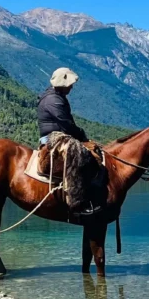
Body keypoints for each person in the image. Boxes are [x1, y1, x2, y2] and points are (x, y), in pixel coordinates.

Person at [37, 68, 104, 217]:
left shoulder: (56, 96)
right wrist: (82, 137)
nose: (71, 87)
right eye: (69, 84)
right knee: (79, 154)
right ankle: (77, 202)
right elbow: (66, 124)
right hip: (53, 137)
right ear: (62, 83)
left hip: (59, 135)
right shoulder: (53, 100)